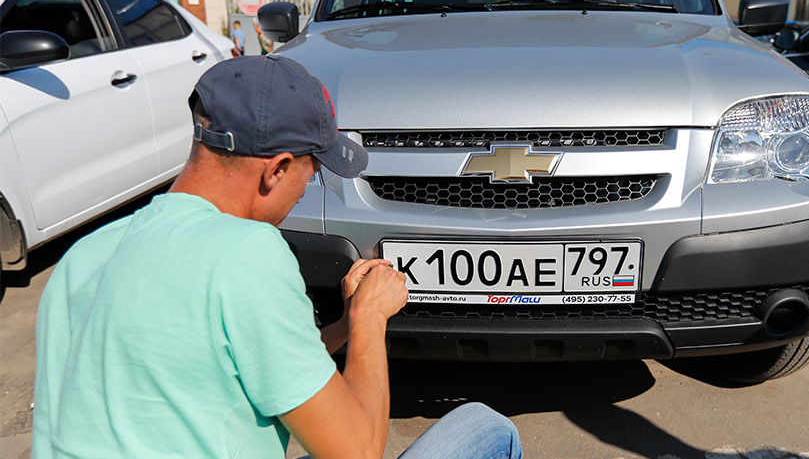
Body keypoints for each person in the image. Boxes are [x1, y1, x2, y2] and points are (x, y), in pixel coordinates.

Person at [32, 55, 522, 459]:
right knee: (487, 427)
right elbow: (358, 453)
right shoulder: (247, 252)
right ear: (277, 169)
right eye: (312, 174)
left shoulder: (86, 255)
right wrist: (371, 321)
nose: (306, 189)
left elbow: (232, 358)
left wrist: (344, 327)